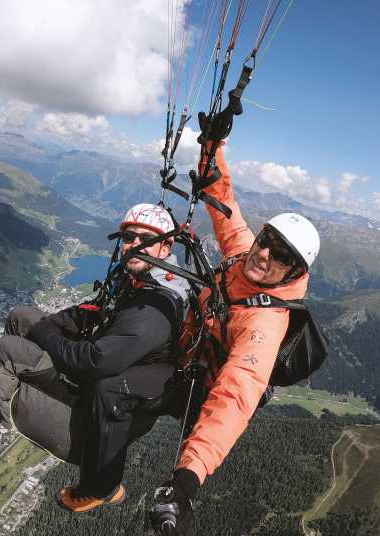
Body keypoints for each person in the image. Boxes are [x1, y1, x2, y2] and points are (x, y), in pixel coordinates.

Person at [0, 203, 189, 513]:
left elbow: (93, 362)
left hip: (92, 397)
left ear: (167, 245)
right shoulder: (139, 277)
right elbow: (95, 311)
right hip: (91, 370)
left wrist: (44, 334)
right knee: (20, 317)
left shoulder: (154, 309)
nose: (134, 245)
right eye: (129, 237)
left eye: (145, 239)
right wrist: (52, 323)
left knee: (6, 350)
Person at [150, 131, 320, 535]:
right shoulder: (244, 254)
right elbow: (224, 202)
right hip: (186, 350)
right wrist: (212, 146)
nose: (264, 254)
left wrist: (187, 480)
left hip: (199, 388)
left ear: (294, 272)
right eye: (267, 241)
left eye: (281, 255)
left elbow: (235, 395)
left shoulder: (264, 325)